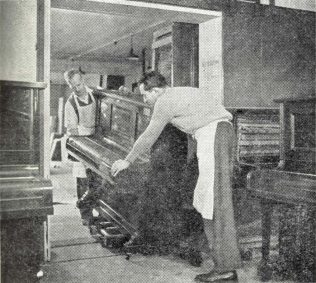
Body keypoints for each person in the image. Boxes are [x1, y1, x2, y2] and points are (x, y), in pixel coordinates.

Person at [111, 71, 242, 282]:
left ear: (155, 91)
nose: (145, 100)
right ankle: (223, 265)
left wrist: (128, 160)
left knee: (213, 203)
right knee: (205, 201)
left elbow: (149, 135)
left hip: (215, 138)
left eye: (145, 95)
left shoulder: (165, 101)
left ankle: (225, 269)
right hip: (217, 136)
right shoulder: (177, 94)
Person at [64, 68, 97, 226]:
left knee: (96, 179)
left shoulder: (94, 94)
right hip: (81, 140)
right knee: (82, 180)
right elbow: (73, 131)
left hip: (97, 138)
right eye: (74, 86)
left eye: (80, 83)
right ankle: (85, 214)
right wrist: (83, 151)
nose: (79, 88)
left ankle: (102, 210)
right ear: (70, 86)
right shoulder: (71, 103)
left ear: (83, 80)